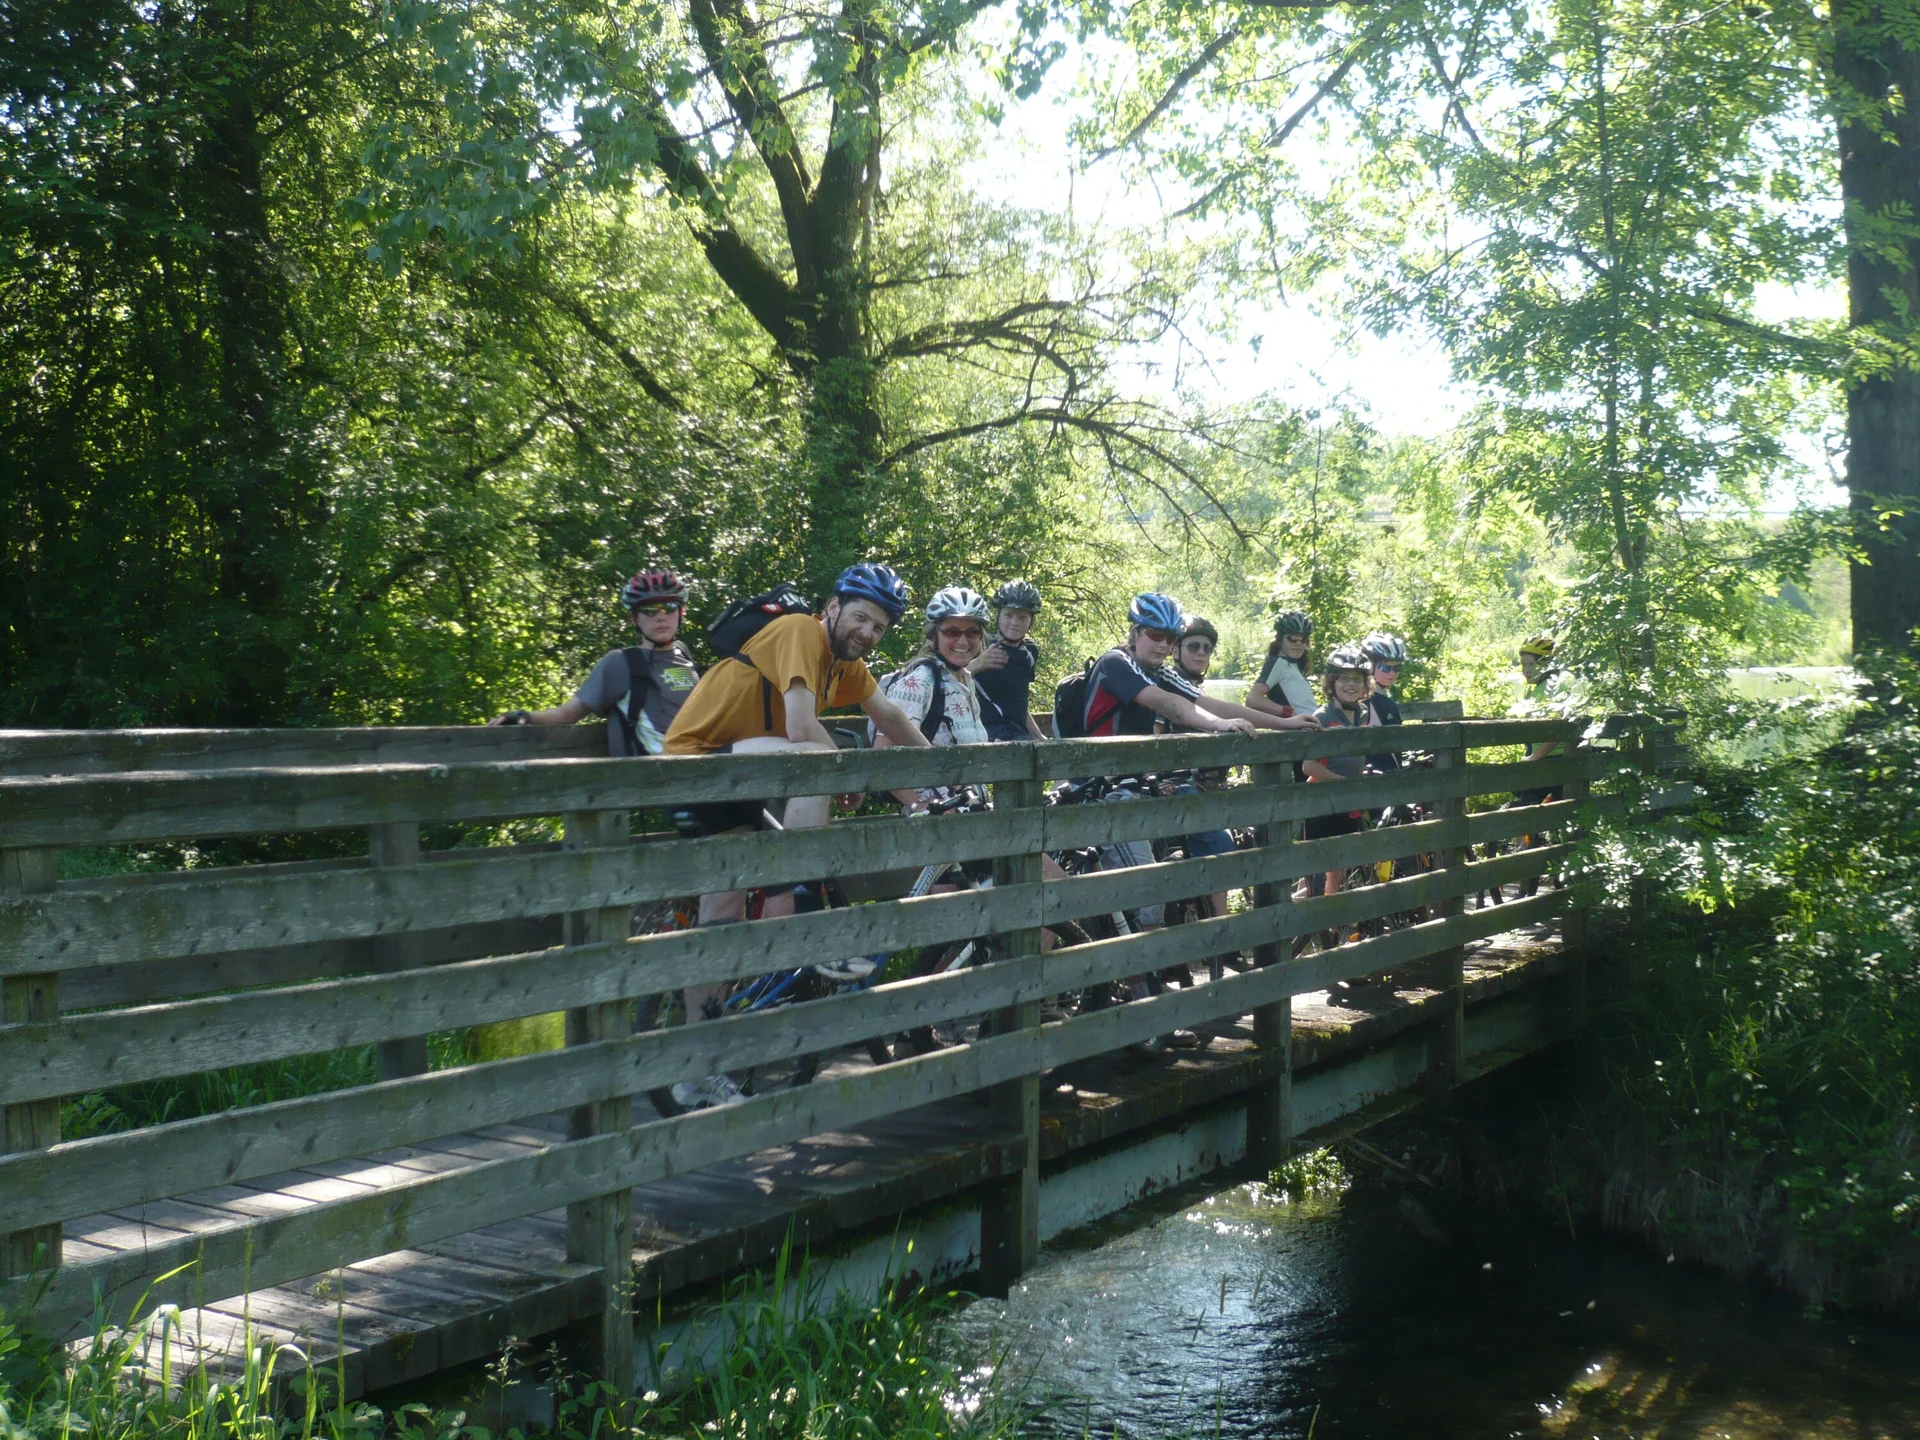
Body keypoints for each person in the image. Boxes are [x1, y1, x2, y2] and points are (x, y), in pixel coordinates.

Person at [658, 561, 933, 1109]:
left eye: (879, 628)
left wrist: (946, 772)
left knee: (721, 921)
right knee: (815, 758)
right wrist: (846, 773)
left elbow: (893, 720)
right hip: (695, 765)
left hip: (736, 779)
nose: (867, 633)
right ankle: (805, 907)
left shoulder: (846, 666)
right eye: (860, 618)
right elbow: (801, 730)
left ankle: (694, 1070)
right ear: (832, 607)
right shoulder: (798, 632)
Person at [489, 567, 699, 754]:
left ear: (681, 613)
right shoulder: (621, 663)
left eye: (669, 607)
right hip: (656, 780)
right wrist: (524, 716)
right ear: (634, 619)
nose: (661, 616)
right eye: (650, 610)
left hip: (704, 769)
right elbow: (568, 713)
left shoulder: (683, 655)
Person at [874, 586, 996, 808]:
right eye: (951, 632)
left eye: (972, 632)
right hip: (936, 821)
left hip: (970, 813)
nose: (963, 641)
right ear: (933, 636)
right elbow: (882, 757)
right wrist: (919, 807)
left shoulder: (964, 679)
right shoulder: (920, 681)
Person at [1301, 645, 1377, 903]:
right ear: (1332, 683)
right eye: (1344, 678)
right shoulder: (1322, 716)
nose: (1350, 685)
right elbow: (1308, 766)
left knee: (1339, 864)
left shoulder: (1363, 714)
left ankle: (1331, 925)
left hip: (1348, 799)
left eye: (1357, 679)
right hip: (1321, 797)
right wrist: (1342, 782)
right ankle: (1309, 917)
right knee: (1315, 865)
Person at [969, 580, 1047, 742]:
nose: (1014, 623)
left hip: (1018, 736)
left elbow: (1019, 702)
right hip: (982, 736)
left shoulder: (1029, 652)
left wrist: (1039, 737)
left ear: (1032, 621)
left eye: (1022, 617)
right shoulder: (978, 645)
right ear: (997, 615)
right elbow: (945, 681)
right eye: (1008, 615)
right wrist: (978, 664)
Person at [1512, 633, 1565, 807]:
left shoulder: (1553, 687)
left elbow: (1558, 730)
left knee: (1524, 811)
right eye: (1523, 665)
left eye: (1532, 664)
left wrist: (1534, 758)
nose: (1526, 670)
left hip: (1554, 760)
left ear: (1546, 664)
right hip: (1545, 759)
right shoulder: (1538, 688)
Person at [1246, 610, 1317, 721]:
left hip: (1312, 729)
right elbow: (1253, 699)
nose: (1298, 643)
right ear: (1280, 640)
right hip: (1297, 733)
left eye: (1303, 639)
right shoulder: (1277, 662)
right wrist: (1288, 712)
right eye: (1292, 638)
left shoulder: (1292, 664)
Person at [1359, 631, 1409, 772]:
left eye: (1397, 668)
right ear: (1369, 666)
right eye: (1385, 667)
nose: (1392, 673)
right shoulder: (1363, 700)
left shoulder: (1386, 698)